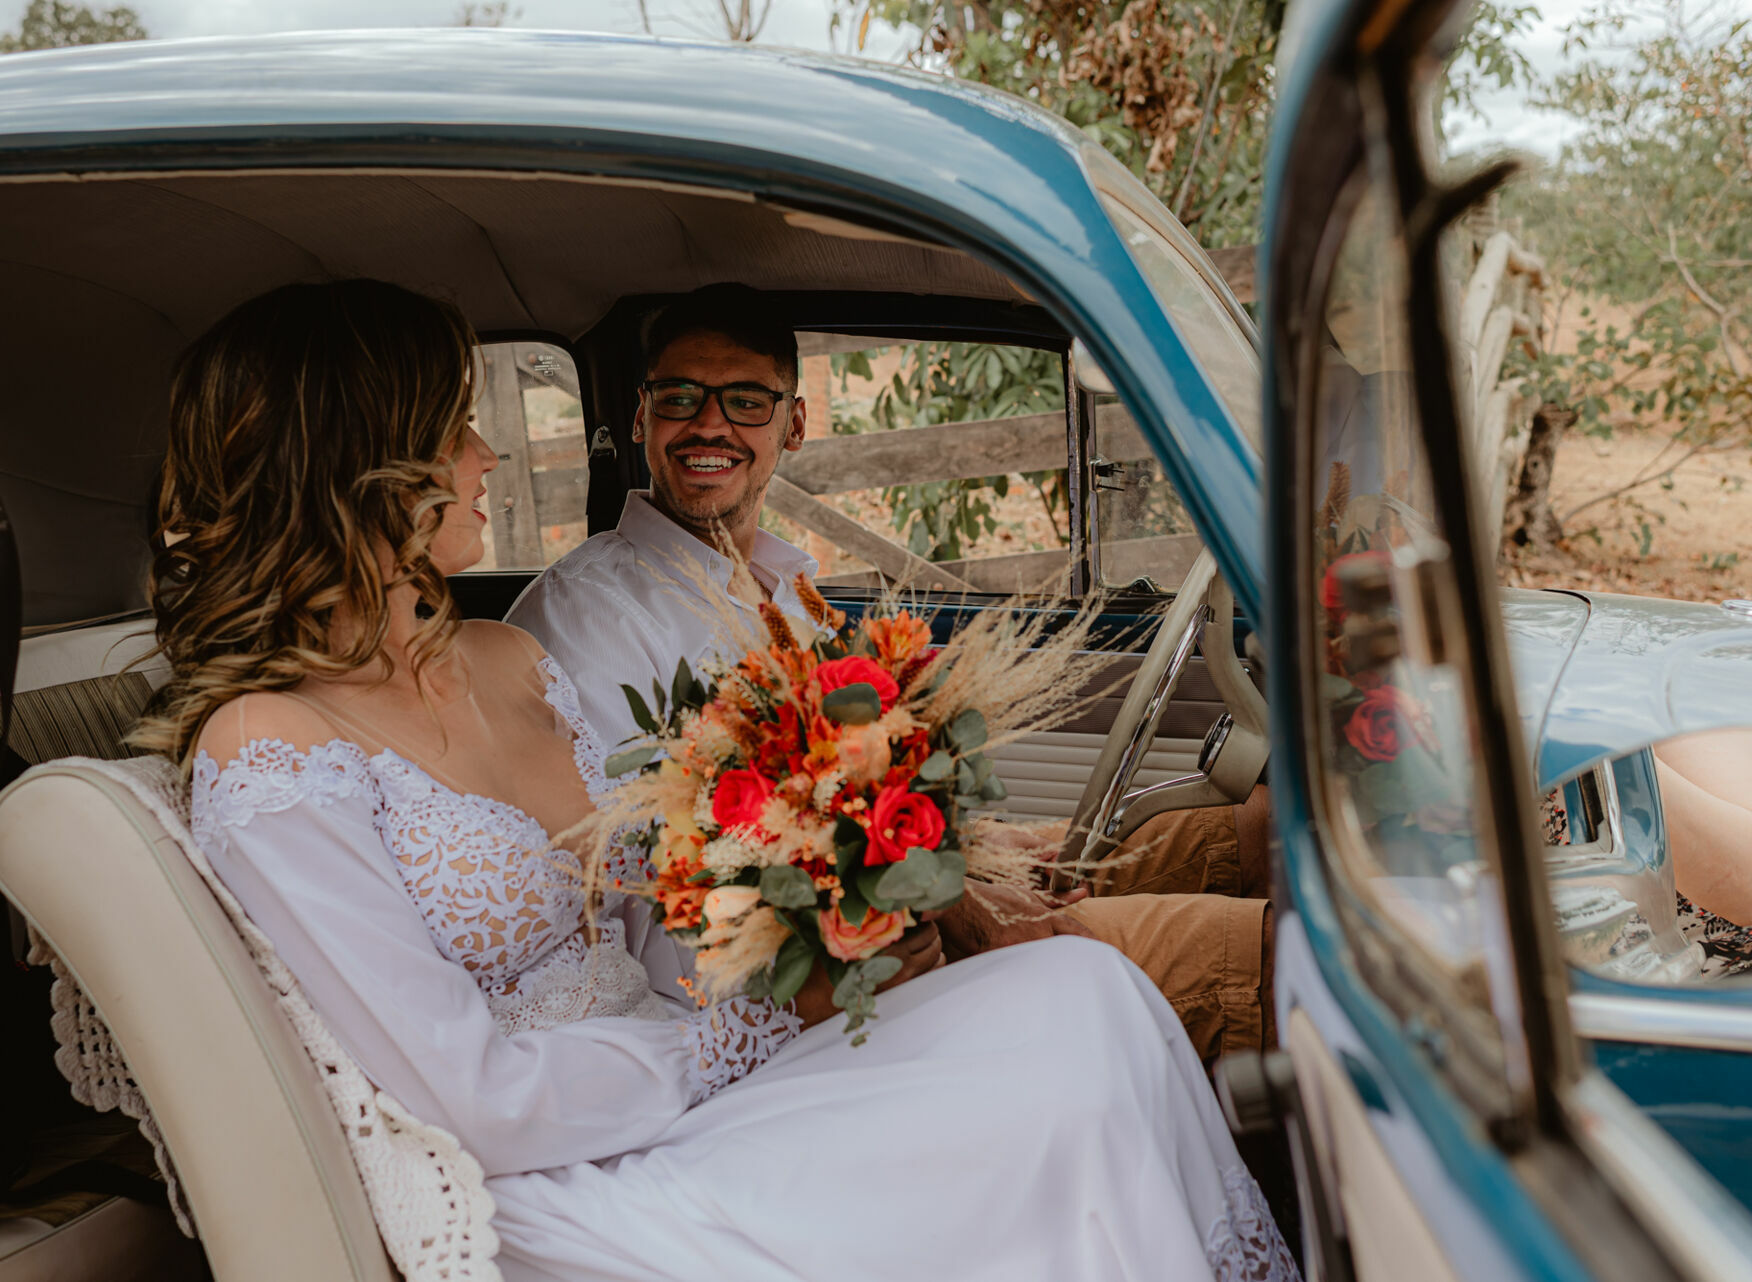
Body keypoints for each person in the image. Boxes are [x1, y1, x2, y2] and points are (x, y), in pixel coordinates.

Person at [140, 279, 1297, 1281]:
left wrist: (817, 943)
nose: (490, 455)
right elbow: (471, 1098)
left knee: (1082, 1000)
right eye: (456, 428)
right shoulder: (271, 752)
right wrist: (736, 1043)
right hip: (571, 1173)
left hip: (687, 1064)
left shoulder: (505, 660)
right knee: (1070, 1034)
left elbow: (651, 913)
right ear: (361, 471)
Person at [509, 283, 1275, 1061]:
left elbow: (841, 797)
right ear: (642, 417)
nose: (710, 424)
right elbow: (658, 880)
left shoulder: (786, 590)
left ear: (794, 424)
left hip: (900, 906)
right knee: (1251, 954)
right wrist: (954, 906)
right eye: (679, 397)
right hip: (805, 981)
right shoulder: (590, 614)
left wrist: (973, 850)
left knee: (1247, 836)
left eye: (746, 400)